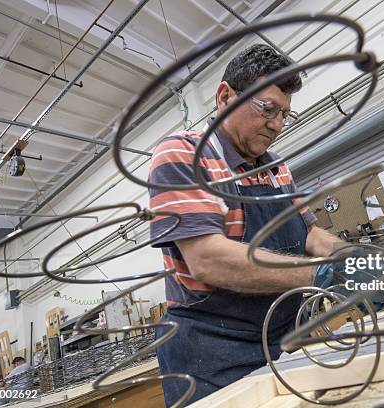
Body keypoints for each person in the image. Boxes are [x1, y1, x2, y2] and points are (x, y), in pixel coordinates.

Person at [148, 44, 371, 406]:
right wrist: (324, 276)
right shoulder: (183, 154)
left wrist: (357, 259)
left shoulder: (275, 166)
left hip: (284, 336)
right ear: (225, 97)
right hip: (212, 355)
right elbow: (207, 258)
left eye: (285, 114)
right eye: (267, 108)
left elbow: (309, 232)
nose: (276, 124)